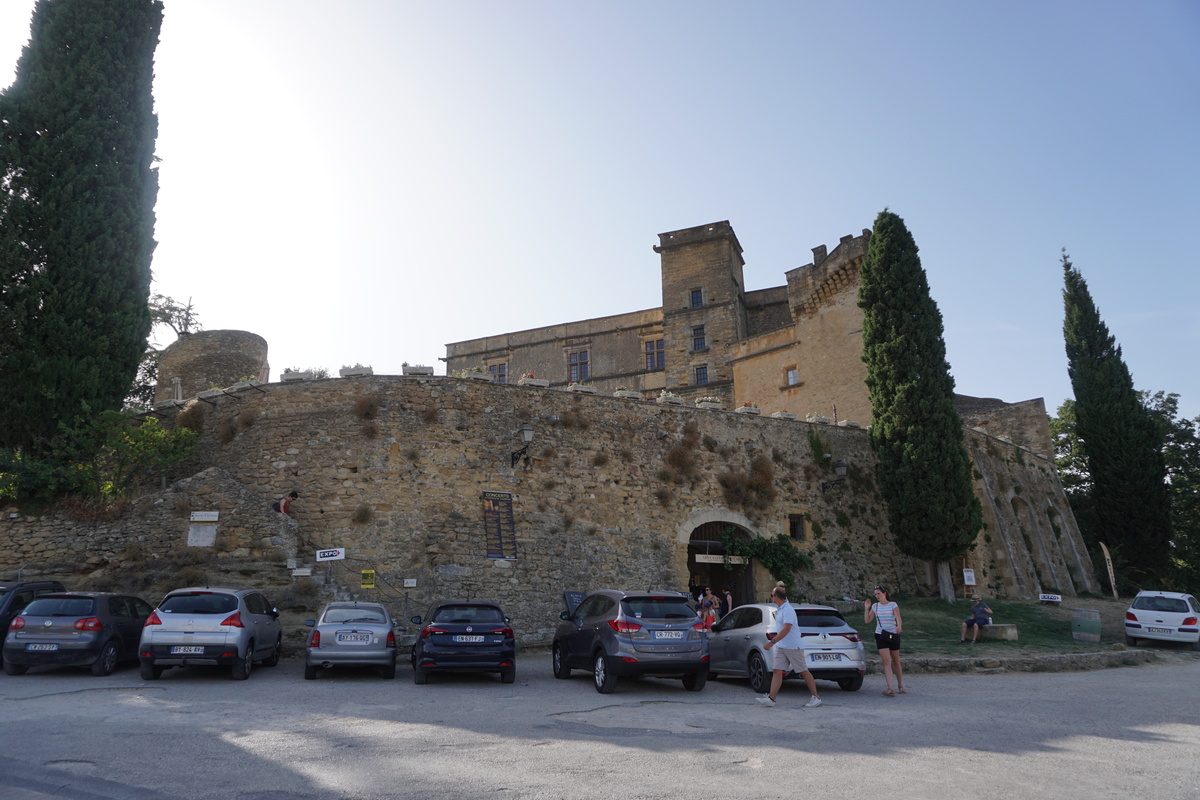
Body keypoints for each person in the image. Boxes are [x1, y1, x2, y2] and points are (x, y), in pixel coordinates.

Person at [755, 587, 822, 709]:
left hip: (793, 646)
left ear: (776, 597)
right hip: (782, 646)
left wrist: (772, 642)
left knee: (803, 671)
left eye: (772, 595)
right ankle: (771, 698)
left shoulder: (788, 610)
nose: (771, 597)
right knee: (777, 670)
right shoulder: (780, 609)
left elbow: (787, 629)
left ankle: (815, 697)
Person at [864, 585, 904, 696]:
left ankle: (900, 685)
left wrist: (899, 626)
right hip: (881, 635)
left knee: (896, 660)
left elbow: (898, 617)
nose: (877, 596)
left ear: (884, 593)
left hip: (893, 634)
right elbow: (867, 620)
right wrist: (867, 608)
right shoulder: (875, 606)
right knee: (886, 661)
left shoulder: (893, 604)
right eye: (875, 594)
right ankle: (890, 688)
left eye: (878, 594)